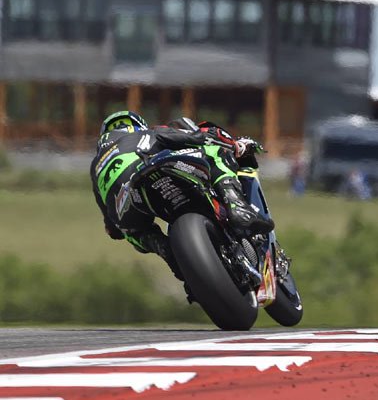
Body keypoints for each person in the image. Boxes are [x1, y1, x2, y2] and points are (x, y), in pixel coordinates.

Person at [90, 110, 273, 288]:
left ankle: (168, 253)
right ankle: (237, 206)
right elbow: (195, 138)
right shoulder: (148, 133)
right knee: (215, 149)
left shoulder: (96, 166)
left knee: (136, 234)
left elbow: (112, 229)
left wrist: (124, 229)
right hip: (157, 167)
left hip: (128, 204)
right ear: (138, 125)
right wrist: (235, 145)